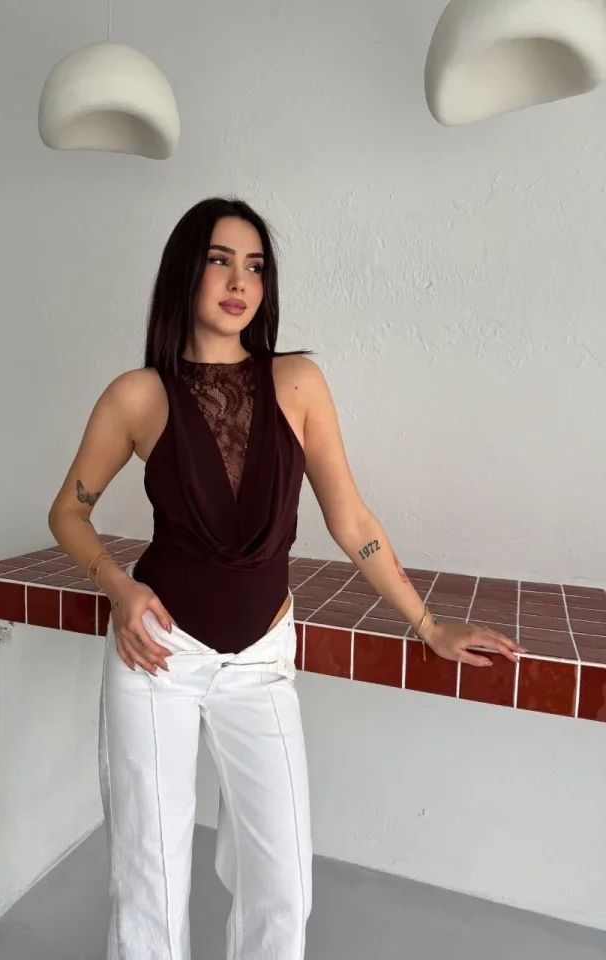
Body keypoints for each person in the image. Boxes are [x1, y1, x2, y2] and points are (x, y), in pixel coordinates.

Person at [47, 196, 526, 959]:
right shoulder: (137, 396)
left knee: (284, 886)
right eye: (220, 261)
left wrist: (428, 623)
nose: (240, 281)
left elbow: (352, 520)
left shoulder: (298, 383)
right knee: (151, 882)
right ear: (185, 273)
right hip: (159, 657)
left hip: (262, 662)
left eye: (256, 266)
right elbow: (68, 512)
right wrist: (122, 588)